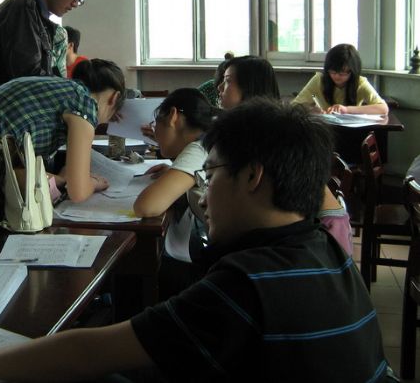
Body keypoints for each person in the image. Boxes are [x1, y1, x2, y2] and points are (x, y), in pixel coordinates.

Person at [0, 99, 390, 382]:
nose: (205, 190)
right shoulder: (323, 248)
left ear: (252, 176)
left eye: (211, 173)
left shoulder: (246, 284)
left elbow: (92, 352)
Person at [0, 59, 125, 233]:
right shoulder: (85, 104)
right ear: (114, 98)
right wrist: (93, 183)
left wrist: (65, 178)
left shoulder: (57, 88)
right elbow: (79, 192)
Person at [218, 54, 353, 255]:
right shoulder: (256, 127)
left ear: (249, 87)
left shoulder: (268, 133)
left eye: (228, 81)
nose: (220, 87)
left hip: (321, 233)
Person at [133, 88, 214, 297]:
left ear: (173, 116)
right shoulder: (206, 142)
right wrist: (173, 172)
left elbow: (146, 207)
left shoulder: (198, 149)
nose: (155, 135)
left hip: (202, 272)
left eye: (155, 124)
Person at [292, 43, 389, 114]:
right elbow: (295, 105)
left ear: (353, 71)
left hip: (352, 130)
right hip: (324, 128)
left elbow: (383, 108)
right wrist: (313, 110)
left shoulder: (360, 83)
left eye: (342, 73)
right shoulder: (319, 80)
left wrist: (347, 110)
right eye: (333, 71)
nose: (337, 76)